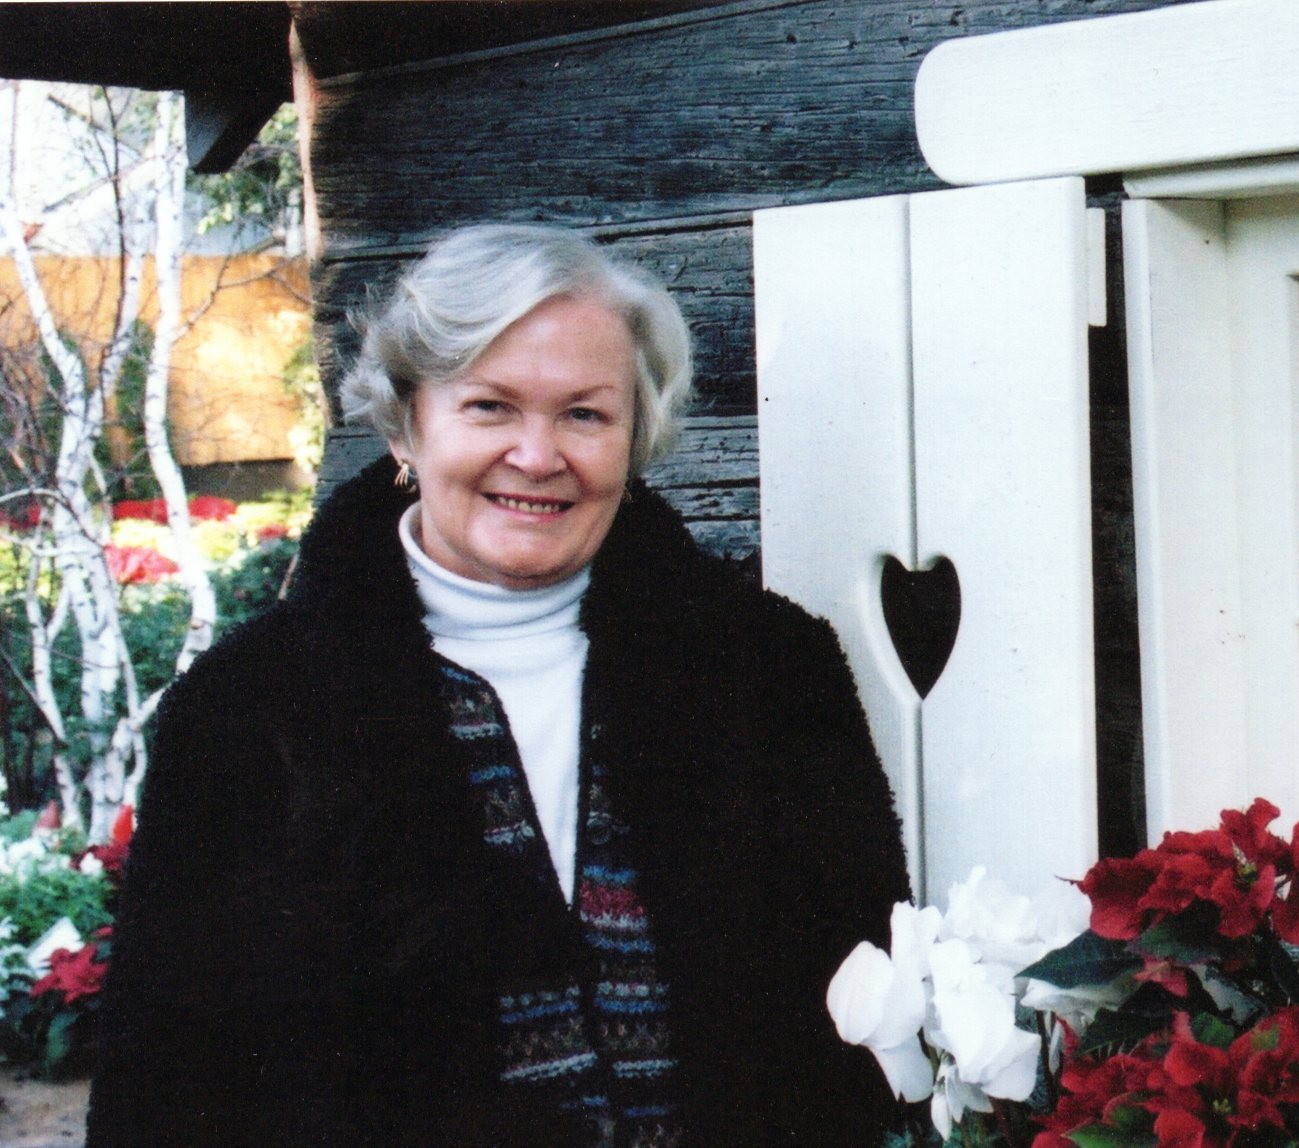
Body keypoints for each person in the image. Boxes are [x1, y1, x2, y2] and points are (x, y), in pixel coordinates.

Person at [87, 224, 910, 1146]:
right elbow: (162, 1094)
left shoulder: (769, 672)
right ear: (407, 424)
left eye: (584, 415)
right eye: (490, 407)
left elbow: (864, 1049)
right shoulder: (248, 712)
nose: (537, 455)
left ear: (635, 437)